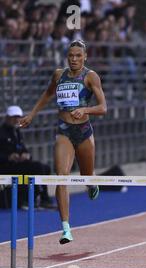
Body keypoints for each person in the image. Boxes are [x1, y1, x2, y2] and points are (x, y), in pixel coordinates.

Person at [19, 39, 107, 244]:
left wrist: (85, 109)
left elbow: (103, 107)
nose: (74, 59)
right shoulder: (59, 75)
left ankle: (91, 183)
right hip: (64, 131)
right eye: (71, 56)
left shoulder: (90, 76)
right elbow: (48, 93)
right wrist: (32, 114)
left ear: (85, 57)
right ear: (67, 57)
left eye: (78, 56)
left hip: (84, 131)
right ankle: (66, 228)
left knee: (86, 176)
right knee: (62, 177)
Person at [0, 106, 55, 209]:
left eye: (18, 117)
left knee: (45, 168)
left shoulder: (16, 132)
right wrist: (8, 157)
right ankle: (41, 198)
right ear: (7, 117)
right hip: (6, 166)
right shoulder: (1, 132)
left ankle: (37, 197)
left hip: (18, 164)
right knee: (37, 168)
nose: (16, 119)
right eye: (14, 117)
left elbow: (23, 149)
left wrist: (26, 155)